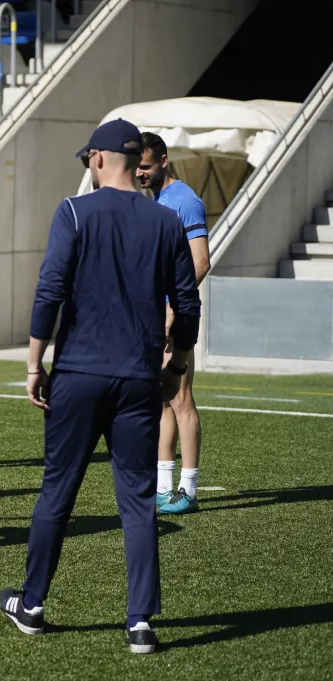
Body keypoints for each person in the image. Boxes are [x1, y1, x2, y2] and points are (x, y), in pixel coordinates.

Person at [0, 119, 201, 654]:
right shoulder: (166, 221)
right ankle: (139, 622)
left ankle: (34, 603)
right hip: (138, 377)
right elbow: (188, 306)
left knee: (57, 490)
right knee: (137, 501)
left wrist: (33, 363)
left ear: (101, 159)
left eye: (90, 157)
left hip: (79, 374)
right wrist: (176, 365)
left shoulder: (72, 211)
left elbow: (49, 292)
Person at [138, 132, 210, 515]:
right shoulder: (158, 200)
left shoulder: (183, 199)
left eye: (146, 166)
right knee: (162, 400)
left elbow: (200, 262)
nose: (139, 173)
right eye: (136, 167)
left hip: (177, 315)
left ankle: (189, 489)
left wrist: (170, 308)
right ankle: (164, 488)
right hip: (157, 315)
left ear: (164, 161)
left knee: (180, 398)